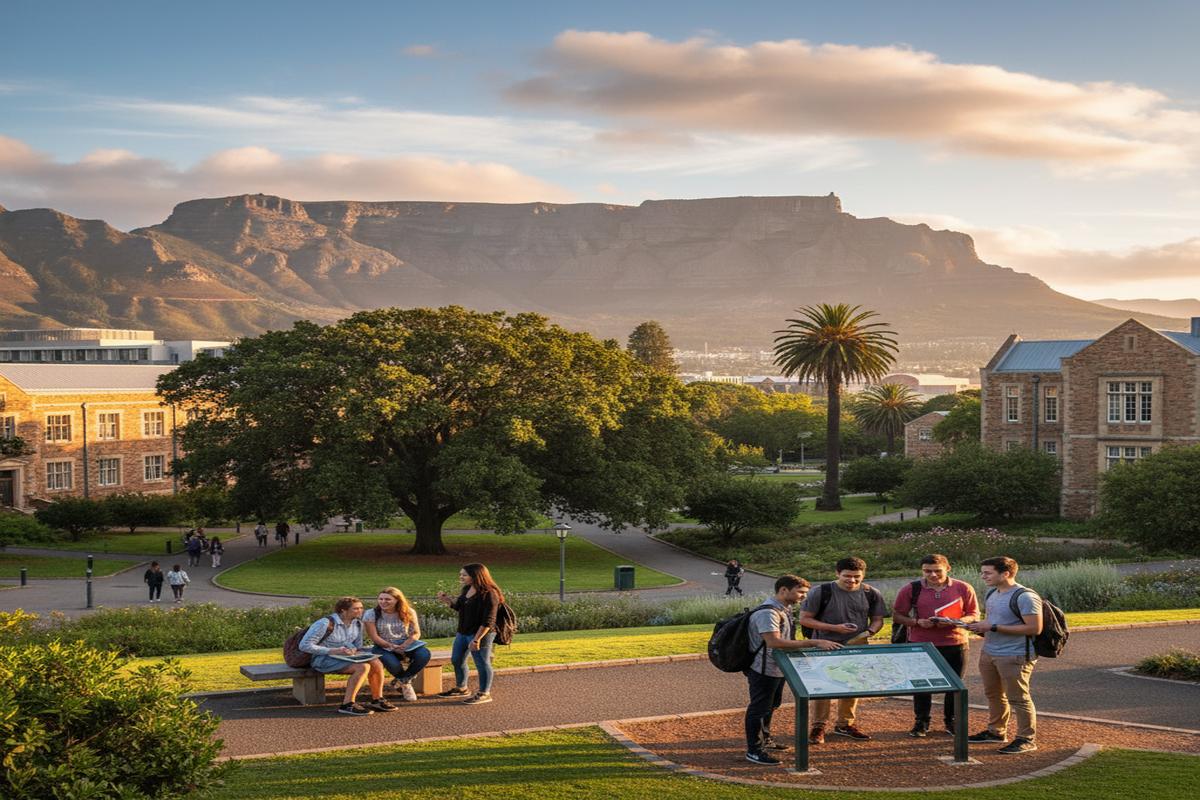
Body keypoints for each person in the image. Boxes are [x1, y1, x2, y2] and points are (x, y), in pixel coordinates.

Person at [744, 575, 842, 766]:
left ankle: (766, 740)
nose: (803, 597)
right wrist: (815, 642)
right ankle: (754, 750)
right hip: (764, 669)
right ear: (783, 590)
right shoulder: (768, 613)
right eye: (800, 592)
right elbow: (774, 642)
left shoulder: (783, 609)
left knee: (771, 706)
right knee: (759, 708)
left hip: (777, 667)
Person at [798, 556, 887, 744]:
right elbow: (805, 619)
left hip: (857, 644)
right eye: (847, 576)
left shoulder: (871, 593)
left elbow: (878, 619)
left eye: (857, 576)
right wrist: (835, 628)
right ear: (837, 573)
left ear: (863, 574)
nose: (852, 580)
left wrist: (870, 631)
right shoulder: (821, 592)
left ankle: (845, 724)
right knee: (822, 685)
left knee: (853, 683)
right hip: (824, 643)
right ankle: (819, 725)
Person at [892, 554, 979, 737]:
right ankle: (921, 722)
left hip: (955, 642)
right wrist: (917, 622)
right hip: (921, 644)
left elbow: (974, 614)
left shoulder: (963, 587)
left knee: (955, 685)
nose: (932, 575)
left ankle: (952, 721)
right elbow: (898, 615)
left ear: (948, 568)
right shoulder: (911, 589)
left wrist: (957, 621)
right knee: (922, 684)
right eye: (927, 571)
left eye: (937, 571)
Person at [965, 556, 1043, 754]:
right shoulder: (993, 593)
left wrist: (992, 626)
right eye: (983, 572)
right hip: (990, 652)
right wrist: (979, 628)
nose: (983, 576)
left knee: (1018, 698)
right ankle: (996, 731)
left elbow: (1034, 628)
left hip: (1014, 655)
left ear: (1005, 573)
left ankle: (1026, 738)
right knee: (993, 694)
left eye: (988, 573)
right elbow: (994, 622)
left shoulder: (1025, 596)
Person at [298, 596, 394, 716]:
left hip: (344, 657)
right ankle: (347, 704)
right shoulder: (325, 623)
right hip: (322, 659)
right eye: (356, 609)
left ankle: (377, 700)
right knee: (362, 667)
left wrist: (353, 649)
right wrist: (333, 651)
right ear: (343, 610)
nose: (360, 611)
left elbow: (357, 645)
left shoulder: (357, 623)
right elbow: (304, 645)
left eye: (361, 608)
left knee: (376, 662)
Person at [435, 562, 503, 705]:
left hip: (481, 634)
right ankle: (461, 688)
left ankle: (484, 693)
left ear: (476, 576)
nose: (461, 576)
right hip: (463, 632)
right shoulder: (467, 588)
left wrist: (477, 639)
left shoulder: (490, 593)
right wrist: (447, 600)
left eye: (464, 575)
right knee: (456, 659)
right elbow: (460, 607)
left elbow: (489, 620)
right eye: (460, 574)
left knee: (482, 663)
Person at [363, 587, 433, 702]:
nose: (383, 602)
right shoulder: (371, 614)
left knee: (424, 654)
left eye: (387, 599)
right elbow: (374, 637)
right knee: (393, 664)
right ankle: (406, 684)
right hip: (383, 646)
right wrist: (392, 646)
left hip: (406, 644)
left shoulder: (408, 612)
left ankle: (402, 680)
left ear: (397, 600)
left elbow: (416, 633)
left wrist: (405, 645)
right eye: (380, 599)